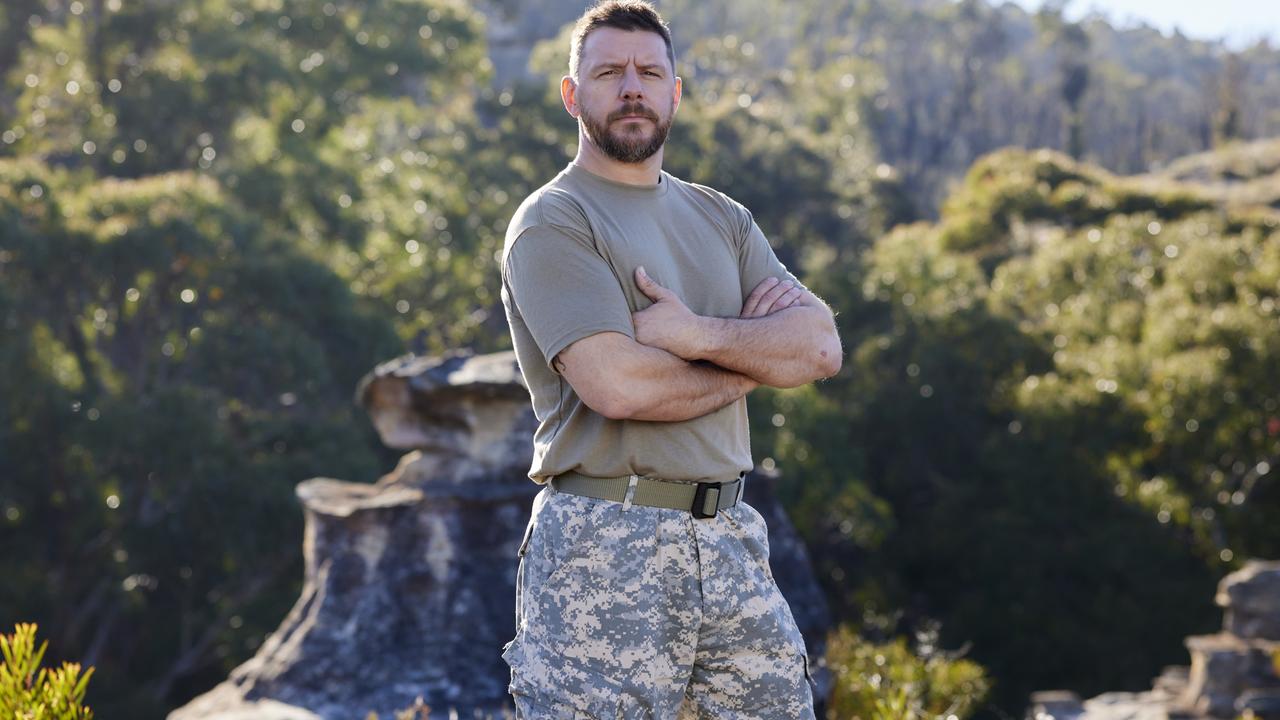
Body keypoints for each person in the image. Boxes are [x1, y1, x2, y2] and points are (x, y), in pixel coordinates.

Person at [498, 1, 842, 717]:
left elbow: (817, 345)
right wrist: (755, 357)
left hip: (731, 537)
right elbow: (617, 386)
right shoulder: (554, 221)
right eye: (610, 72)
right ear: (572, 94)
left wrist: (696, 336)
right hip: (605, 547)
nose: (633, 88)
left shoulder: (723, 217)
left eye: (651, 72)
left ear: (675, 92)